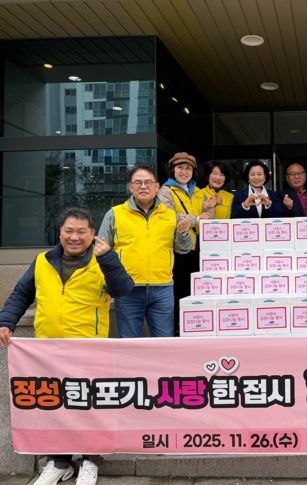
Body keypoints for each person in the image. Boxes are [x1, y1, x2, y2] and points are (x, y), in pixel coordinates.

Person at [0, 208, 134, 485]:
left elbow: (123, 289)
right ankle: (59, 462)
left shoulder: (103, 260)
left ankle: (89, 460)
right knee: (54, 404)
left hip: (89, 348)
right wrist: (6, 321)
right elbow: (21, 294)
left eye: (81, 232)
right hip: (48, 350)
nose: (74, 237)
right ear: (59, 232)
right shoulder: (42, 261)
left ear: (92, 234)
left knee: (89, 405)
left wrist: (108, 258)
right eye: (69, 231)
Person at [98, 165, 192, 338]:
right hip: (127, 289)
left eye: (148, 182)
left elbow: (183, 249)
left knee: (164, 342)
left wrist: (183, 233)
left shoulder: (171, 215)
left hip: (162, 289)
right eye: (138, 182)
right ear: (130, 187)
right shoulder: (115, 214)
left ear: (157, 187)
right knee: (129, 342)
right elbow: (100, 251)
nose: (143, 186)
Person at [157, 152, 205, 336]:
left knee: (195, 290)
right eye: (180, 168)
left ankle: (195, 326)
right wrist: (198, 219)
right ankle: (179, 329)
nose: (184, 172)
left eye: (188, 168)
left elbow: (208, 216)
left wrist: (206, 212)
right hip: (177, 248)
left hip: (198, 248)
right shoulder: (165, 191)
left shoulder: (198, 191)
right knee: (180, 291)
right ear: (172, 170)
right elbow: (171, 217)